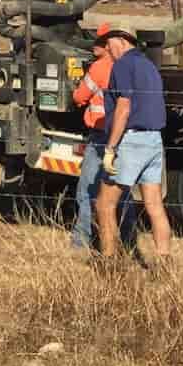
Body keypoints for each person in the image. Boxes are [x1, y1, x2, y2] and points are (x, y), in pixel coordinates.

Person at [94, 26, 171, 261]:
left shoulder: (123, 65)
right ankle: (164, 264)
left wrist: (111, 148)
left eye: (109, 43)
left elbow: (123, 107)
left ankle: (109, 264)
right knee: (155, 206)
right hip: (154, 140)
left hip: (132, 141)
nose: (107, 48)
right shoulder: (149, 65)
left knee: (104, 204)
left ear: (122, 41)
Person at [69, 24, 116, 249]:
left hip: (99, 137)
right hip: (120, 138)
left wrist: (74, 90)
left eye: (98, 41)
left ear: (108, 45)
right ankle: (121, 241)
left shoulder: (98, 68)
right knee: (118, 190)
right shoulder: (124, 67)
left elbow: (79, 96)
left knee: (87, 189)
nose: (94, 45)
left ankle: (81, 242)